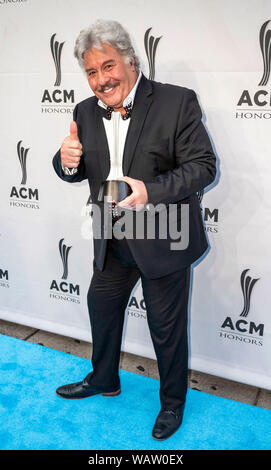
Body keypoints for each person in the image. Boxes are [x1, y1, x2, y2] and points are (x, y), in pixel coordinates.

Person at [52, 19, 216, 441]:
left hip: (166, 234)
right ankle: (104, 378)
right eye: (91, 72)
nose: (101, 80)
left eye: (108, 66)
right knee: (100, 308)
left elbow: (203, 167)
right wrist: (66, 161)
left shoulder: (177, 101)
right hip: (111, 235)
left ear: (129, 60)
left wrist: (151, 192)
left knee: (166, 329)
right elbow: (77, 170)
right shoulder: (84, 111)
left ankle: (172, 405)